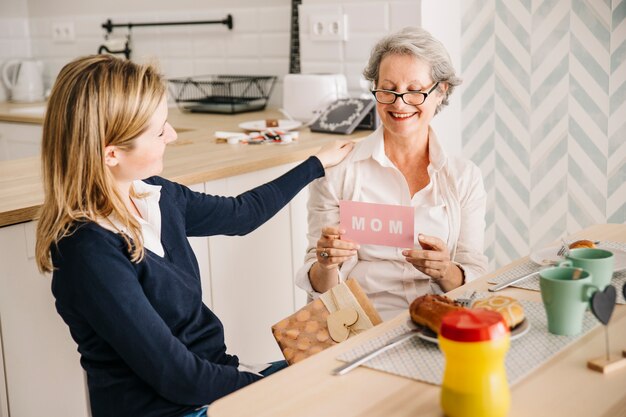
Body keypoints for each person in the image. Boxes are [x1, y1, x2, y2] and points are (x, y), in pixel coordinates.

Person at [34, 55, 353, 417]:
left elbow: (242, 214)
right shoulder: (87, 250)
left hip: (216, 384)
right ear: (111, 153)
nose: (171, 136)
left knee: (346, 373)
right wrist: (271, 384)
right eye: (159, 131)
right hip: (172, 410)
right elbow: (177, 377)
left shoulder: (155, 194)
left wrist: (315, 164)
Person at [295, 27, 488, 321]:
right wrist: (325, 262)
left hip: (436, 324)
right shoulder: (338, 173)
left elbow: (474, 274)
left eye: (414, 90)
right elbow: (320, 288)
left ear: (440, 91)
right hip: (358, 327)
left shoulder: (463, 178)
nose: (399, 103)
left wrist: (446, 270)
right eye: (388, 89)